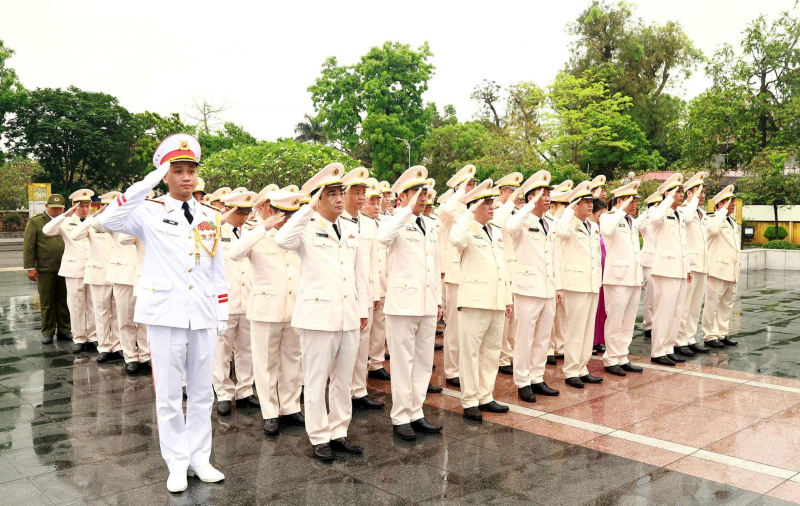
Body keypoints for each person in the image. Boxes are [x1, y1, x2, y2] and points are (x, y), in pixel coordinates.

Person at [99, 133, 227, 493]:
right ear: (166, 175)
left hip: (201, 312)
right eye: (178, 171)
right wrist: (147, 183)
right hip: (165, 313)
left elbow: (217, 268)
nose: (187, 177)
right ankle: (175, 462)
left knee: (203, 393)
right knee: (170, 395)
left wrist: (222, 311)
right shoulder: (149, 212)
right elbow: (110, 218)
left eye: (191, 171)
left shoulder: (211, 216)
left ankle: (200, 458)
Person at [274, 163, 369, 462]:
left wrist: (362, 308)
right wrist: (307, 208)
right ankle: (319, 435)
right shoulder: (305, 228)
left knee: (343, 379)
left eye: (341, 192)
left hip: (347, 315)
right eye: (332, 194)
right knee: (315, 380)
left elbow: (359, 273)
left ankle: (339, 431)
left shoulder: (352, 229)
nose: (340, 199)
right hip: (318, 316)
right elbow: (281, 240)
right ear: (318, 198)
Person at [229, 190, 306, 435]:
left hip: (295, 309)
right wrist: (262, 227)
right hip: (265, 310)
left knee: (292, 361)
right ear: (272, 212)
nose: (289, 220)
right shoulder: (256, 235)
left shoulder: (298, 236)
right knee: (265, 363)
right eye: (284, 215)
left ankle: (290, 407)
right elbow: (234, 253)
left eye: (293, 214)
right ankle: (270, 412)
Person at [377, 166, 443, 439]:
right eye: (416, 193)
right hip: (403, 304)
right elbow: (383, 238)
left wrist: (438, 302)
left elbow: (434, 266)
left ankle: (417, 411)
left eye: (424, 193)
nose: (422, 198)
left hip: (427, 304)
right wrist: (406, 210)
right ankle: (401, 416)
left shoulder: (430, 224)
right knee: (403, 363)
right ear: (401, 198)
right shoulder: (393, 221)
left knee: (424, 363)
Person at [449, 179, 512, 421]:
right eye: (486, 203)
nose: (492, 207)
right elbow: (455, 241)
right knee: (471, 353)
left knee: (492, 352)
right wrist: (469, 211)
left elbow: (501, 267)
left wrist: (506, 299)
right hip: (475, 301)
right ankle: (469, 399)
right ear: (475, 206)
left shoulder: (494, 230)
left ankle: (486, 395)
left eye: (492, 202)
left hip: (496, 300)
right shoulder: (465, 228)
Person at [504, 171, 562, 402]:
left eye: (548, 194)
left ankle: (537, 377)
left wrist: (558, 285)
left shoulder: (550, 223)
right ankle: (522, 381)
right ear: (531, 197)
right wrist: (529, 204)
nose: (547, 198)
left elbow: (555, 257)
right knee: (525, 337)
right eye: (543, 194)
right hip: (528, 288)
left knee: (543, 337)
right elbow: (510, 226)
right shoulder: (521, 220)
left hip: (547, 288)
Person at [340, 168, 385, 410]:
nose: (361, 197)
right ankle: (342, 390)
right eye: (356, 192)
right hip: (345, 294)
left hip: (365, 293)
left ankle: (359, 390)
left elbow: (374, 261)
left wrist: (375, 293)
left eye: (363, 193)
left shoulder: (368, 225)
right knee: (344, 347)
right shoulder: (337, 222)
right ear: (344, 195)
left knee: (362, 345)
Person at [213, 191, 258, 416]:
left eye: (247, 212)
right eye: (239, 212)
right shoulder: (215, 232)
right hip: (224, 299)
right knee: (221, 349)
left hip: (249, 298)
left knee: (246, 348)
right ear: (228, 210)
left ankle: (245, 390)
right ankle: (223, 393)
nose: (243, 217)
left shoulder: (252, 232)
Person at [555, 181, 603, 388]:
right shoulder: (567, 224)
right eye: (584, 202)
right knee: (574, 329)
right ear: (575, 204)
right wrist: (569, 207)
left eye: (591, 201)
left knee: (587, 329)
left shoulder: (592, 226)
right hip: (574, 284)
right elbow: (562, 233)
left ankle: (582, 367)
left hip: (592, 283)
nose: (590, 205)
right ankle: (571, 370)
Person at [71, 192, 125, 364]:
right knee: (101, 312)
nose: (110, 209)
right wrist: (93, 217)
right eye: (107, 206)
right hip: (99, 274)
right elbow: (76, 235)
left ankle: (117, 346)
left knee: (118, 313)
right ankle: (103, 346)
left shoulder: (123, 222)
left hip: (118, 273)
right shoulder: (94, 223)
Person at [438, 164, 478, 388]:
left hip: (472, 273)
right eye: (467, 184)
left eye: (473, 184)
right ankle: (452, 369)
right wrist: (461, 191)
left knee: (469, 325)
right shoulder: (452, 210)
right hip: (455, 274)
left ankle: (466, 367)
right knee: (453, 325)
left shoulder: (474, 208)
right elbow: (444, 211)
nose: (471, 188)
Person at [42, 189, 97, 353]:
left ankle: (93, 337)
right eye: (82, 206)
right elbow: (47, 230)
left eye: (88, 206)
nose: (86, 209)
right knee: (76, 305)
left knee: (93, 305)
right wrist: (65, 215)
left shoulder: (94, 221)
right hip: (73, 268)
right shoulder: (65, 222)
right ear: (74, 206)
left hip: (93, 269)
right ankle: (79, 338)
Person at [599, 182, 645, 376]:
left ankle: (622, 356)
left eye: (635, 201)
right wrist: (620, 210)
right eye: (631, 200)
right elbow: (607, 231)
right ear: (620, 201)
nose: (635, 204)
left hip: (633, 278)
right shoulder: (608, 217)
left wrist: (640, 277)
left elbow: (634, 250)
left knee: (628, 321)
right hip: (617, 278)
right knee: (615, 320)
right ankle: (611, 358)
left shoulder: (631, 221)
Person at [648, 173, 692, 366]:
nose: (680, 195)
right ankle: (658, 351)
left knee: (676, 312)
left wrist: (688, 268)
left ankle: (668, 348)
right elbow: (655, 218)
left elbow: (683, 244)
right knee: (663, 312)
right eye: (677, 191)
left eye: (682, 191)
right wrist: (667, 198)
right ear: (668, 193)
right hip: (665, 270)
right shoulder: (659, 212)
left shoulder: (679, 214)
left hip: (680, 270)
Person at [24, 194, 71, 344]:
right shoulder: (36, 221)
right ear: (46, 206)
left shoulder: (67, 221)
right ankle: (48, 331)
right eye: (54, 208)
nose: (57, 211)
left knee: (64, 300)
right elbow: (29, 246)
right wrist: (31, 267)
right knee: (47, 301)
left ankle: (64, 329)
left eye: (60, 208)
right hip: (45, 268)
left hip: (65, 266)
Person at [106, 223, 150, 374]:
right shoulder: (120, 218)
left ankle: (145, 354)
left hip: (145, 276)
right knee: (125, 318)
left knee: (145, 320)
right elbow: (122, 237)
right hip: (123, 274)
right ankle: (130, 356)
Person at [675, 173, 711, 356]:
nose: (703, 195)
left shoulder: (701, 212)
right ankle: (679, 340)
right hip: (690, 264)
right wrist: (694, 200)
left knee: (695, 306)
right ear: (689, 193)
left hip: (702, 265)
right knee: (685, 305)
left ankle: (690, 338)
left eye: (704, 192)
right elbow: (688, 220)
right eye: (699, 191)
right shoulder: (683, 211)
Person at [492, 172, 523, 376]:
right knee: (504, 317)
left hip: (517, 268)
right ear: (502, 191)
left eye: (515, 193)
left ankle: (510, 353)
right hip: (503, 268)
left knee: (515, 317)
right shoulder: (496, 209)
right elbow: (499, 223)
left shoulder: (515, 210)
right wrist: (511, 204)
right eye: (511, 192)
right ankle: (501, 356)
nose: (514, 196)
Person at [702, 185, 741, 348]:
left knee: (727, 304)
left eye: (733, 201)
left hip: (731, 270)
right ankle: (710, 335)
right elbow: (713, 230)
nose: (733, 204)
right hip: (717, 270)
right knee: (712, 304)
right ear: (720, 204)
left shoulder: (732, 222)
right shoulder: (712, 219)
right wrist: (722, 211)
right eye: (729, 201)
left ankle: (722, 333)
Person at [545, 180, 573, 365]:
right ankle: (548, 349)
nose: (566, 210)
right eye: (563, 206)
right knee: (548, 316)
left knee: (561, 315)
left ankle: (560, 346)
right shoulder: (548, 221)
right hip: (548, 273)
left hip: (562, 271)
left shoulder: (561, 222)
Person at [368, 180, 392, 381]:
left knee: (379, 327)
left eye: (378, 203)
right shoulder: (354, 222)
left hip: (383, 281)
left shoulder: (385, 222)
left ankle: (376, 363)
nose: (377, 207)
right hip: (366, 284)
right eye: (372, 203)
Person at [639, 191, 662, 340]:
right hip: (648, 261)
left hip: (661, 261)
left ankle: (658, 323)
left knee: (660, 295)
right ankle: (648, 324)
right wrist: (647, 212)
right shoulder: (646, 221)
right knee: (650, 295)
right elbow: (638, 225)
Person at [591, 199, 608, 356]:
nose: (602, 218)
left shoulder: (604, 229)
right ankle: (592, 340)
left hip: (605, 273)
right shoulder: (591, 227)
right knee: (593, 310)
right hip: (594, 273)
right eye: (599, 214)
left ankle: (598, 339)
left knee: (602, 309)